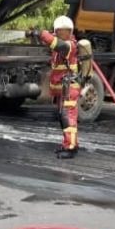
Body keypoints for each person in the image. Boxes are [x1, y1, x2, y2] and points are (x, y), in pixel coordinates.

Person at [32, 16, 81, 159]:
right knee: (63, 117)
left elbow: (55, 42)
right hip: (64, 88)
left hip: (70, 88)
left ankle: (71, 148)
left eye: (65, 31)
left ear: (70, 32)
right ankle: (68, 143)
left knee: (68, 117)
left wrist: (41, 33)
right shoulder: (60, 43)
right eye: (59, 31)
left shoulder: (69, 46)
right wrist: (34, 34)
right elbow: (52, 41)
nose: (62, 33)